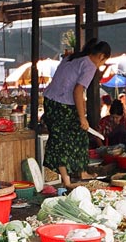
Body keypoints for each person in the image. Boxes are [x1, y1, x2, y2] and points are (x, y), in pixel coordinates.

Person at [43, 39, 112, 186]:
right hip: (63, 105)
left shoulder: (71, 57)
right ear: (101, 56)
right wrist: (82, 117)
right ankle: (67, 180)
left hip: (50, 101)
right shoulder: (90, 66)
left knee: (74, 137)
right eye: (104, 61)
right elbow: (78, 91)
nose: (101, 64)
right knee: (62, 140)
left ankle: (81, 172)